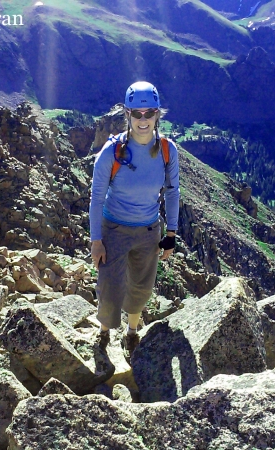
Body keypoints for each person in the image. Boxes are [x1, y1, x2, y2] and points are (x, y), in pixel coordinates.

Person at [89, 81, 180, 358]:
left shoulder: (167, 150)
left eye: (149, 113)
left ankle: (131, 332)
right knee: (110, 285)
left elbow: (173, 192)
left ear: (157, 115)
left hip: (149, 230)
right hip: (114, 228)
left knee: (141, 284)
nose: (143, 120)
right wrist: (96, 240)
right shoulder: (111, 152)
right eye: (137, 114)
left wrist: (171, 234)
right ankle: (103, 333)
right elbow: (96, 198)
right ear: (127, 114)